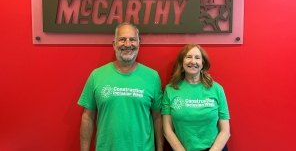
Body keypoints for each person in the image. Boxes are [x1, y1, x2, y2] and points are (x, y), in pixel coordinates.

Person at [78, 22, 164, 151]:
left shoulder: (152, 77)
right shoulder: (97, 75)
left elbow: (157, 117)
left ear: (139, 44)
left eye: (132, 40)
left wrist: (160, 149)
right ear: (114, 44)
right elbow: (87, 117)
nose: (128, 44)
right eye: (122, 39)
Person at [162, 44, 230, 151]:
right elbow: (167, 130)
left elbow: (225, 131)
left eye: (197, 58)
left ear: (202, 64)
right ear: (181, 62)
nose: (193, 61)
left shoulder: (217, 89)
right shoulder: (170, 90)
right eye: (188, 57)